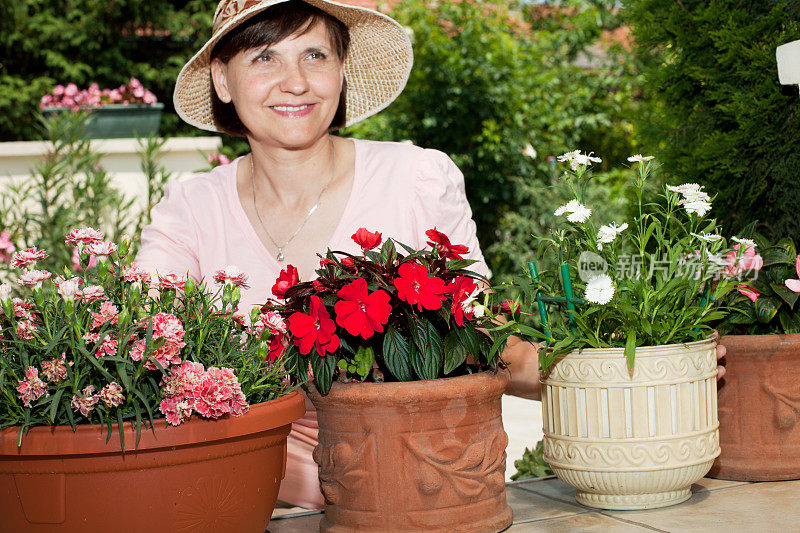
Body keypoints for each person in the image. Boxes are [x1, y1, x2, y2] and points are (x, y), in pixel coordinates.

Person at [136, 0, 725, 510]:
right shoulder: (190, 209)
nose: (295, 81)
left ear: (341, 71)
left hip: (418, 483)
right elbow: (144, 352)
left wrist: (627, 368)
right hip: (248, 492)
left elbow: (485, 337)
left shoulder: (416, 178)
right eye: (264, 57)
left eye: (315, 55)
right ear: (221, 79)